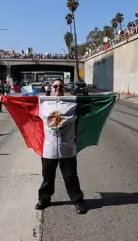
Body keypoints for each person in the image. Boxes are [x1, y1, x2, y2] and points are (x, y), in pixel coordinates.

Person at [35, 78, 86, 214]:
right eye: (55, 86)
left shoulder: (73, 103)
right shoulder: (43, 104)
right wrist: (5, 98)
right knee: (47, 177)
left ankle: (78, 201)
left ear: (65, 88)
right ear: (50, 88)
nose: (58, 89)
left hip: (67, 148)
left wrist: (110, 98)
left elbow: (91, 105)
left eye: (61, 87)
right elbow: (25, 105)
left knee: (71, 177)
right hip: (49, 149)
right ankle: (44, 199)